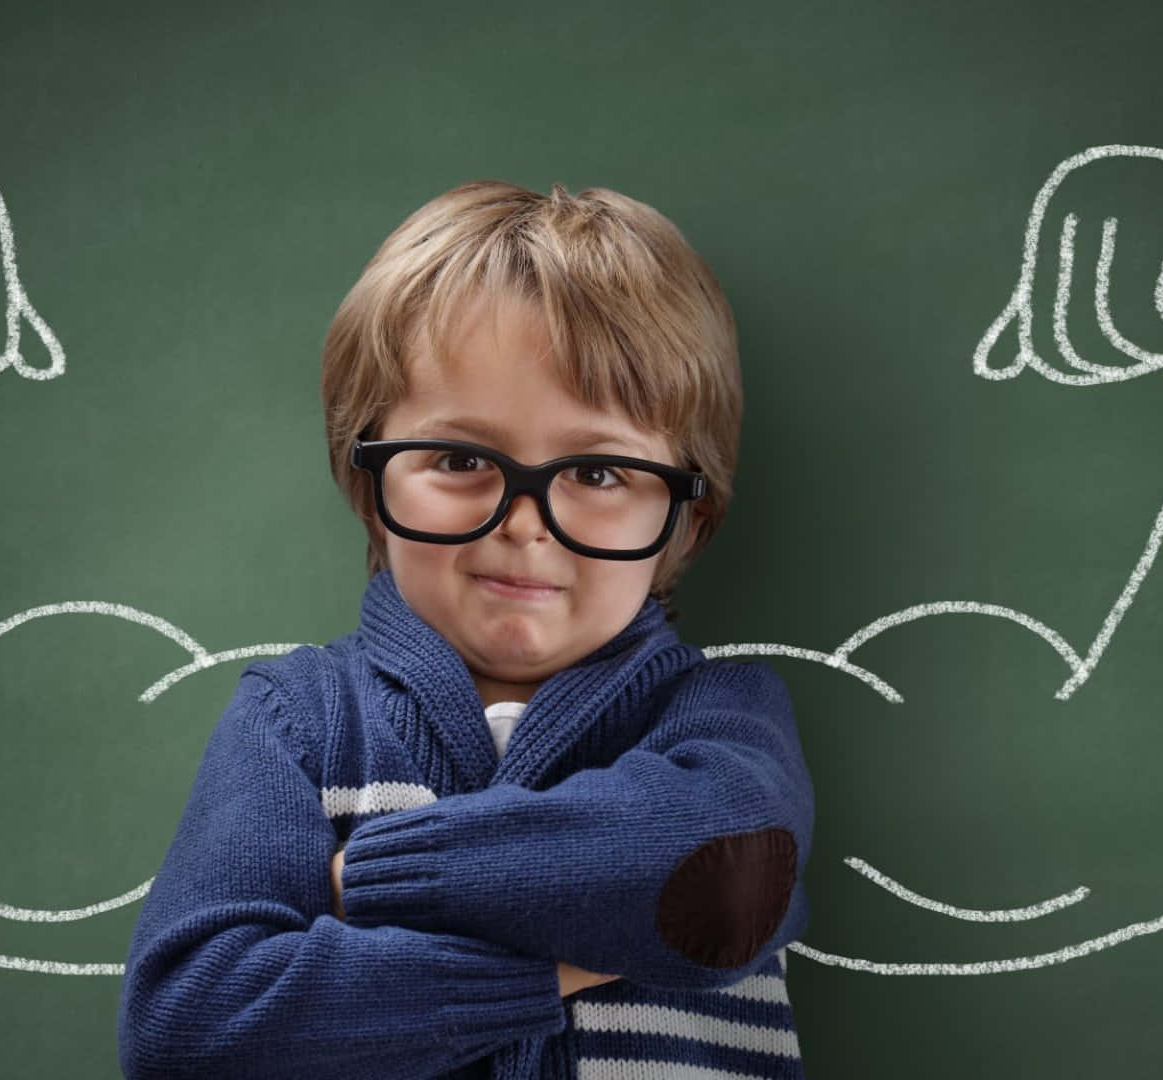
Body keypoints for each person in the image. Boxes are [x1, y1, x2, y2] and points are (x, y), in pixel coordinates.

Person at [118, 180, 815, 1079]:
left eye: (599, 473)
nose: (523, 523)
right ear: (373, 479)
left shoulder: (722, 710)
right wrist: (566, 953)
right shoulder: (297, 719)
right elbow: (190, 1029)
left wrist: (363, 880)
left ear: (686, 511)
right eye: (458, 459)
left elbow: (723, 884)